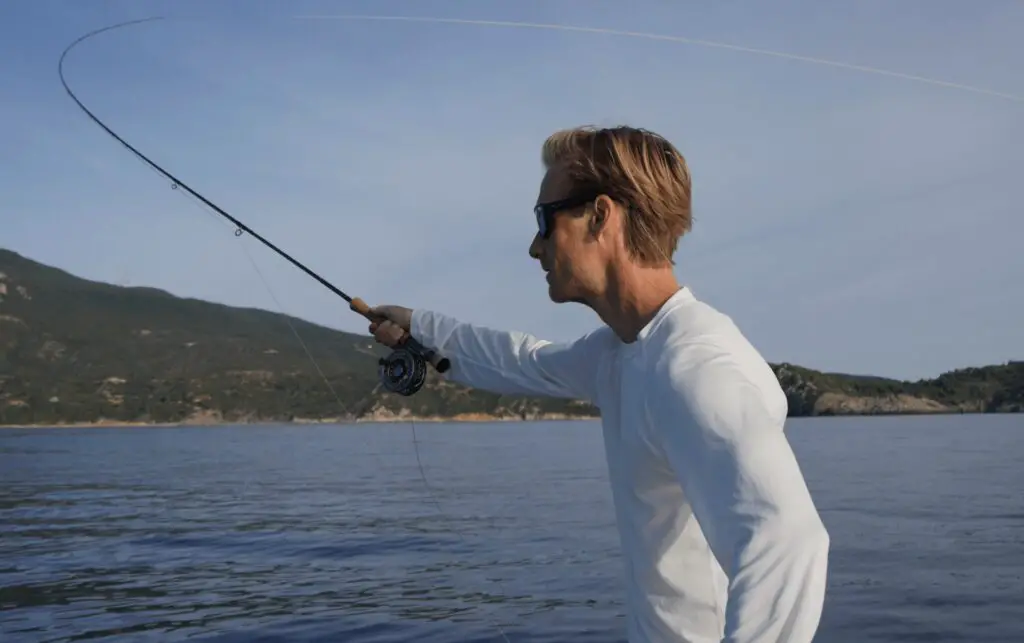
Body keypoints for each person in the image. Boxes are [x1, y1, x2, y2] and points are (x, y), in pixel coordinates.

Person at [367, 125, 830, 643]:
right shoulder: (621, 351)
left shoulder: (693, 367)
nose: (534, 247)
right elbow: (525, 360)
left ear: (602, 215)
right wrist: (421, 326)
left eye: (545, 220)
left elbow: (787, 542)